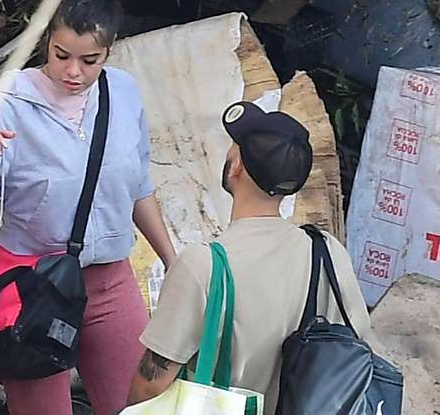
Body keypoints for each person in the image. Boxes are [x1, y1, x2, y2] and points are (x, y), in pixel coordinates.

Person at [0, 0, 179, 415]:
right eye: (61, 55)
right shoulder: (10, 99)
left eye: (89, 60)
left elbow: (139, 184)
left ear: (108, 51)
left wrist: (172, 259)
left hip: (110, 283)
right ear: (47, 41)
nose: (73, 71)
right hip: (32, 288)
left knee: (138, 407)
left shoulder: (122, 92)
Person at [130, 102, 372, 408]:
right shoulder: (326, 251)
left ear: (236, 167)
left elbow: (151, 384)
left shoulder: (205, 265)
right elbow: (359, 343)